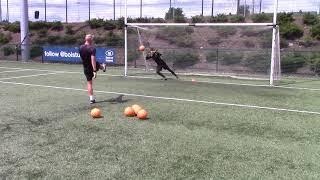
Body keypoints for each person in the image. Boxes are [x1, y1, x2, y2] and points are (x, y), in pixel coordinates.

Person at [79, 34, 106, 104]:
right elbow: (92, 60)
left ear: (85, 39)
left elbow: (83, 58)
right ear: (91, 40)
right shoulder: (92, 48)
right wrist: (94, 71)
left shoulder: (80, 47)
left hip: (85, 67)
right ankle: (103, 67)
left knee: (89, 83)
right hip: (92, 66)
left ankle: (91, 99)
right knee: (97, 64)